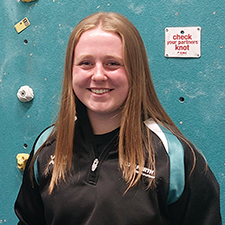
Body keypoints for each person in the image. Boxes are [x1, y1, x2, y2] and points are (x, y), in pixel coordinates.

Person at [14, 12, 222, 225]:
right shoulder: (48, 146)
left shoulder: (173, 156)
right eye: (85, 63)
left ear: (135, 71)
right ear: (71, 71)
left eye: (112, 63)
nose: (98, 75)